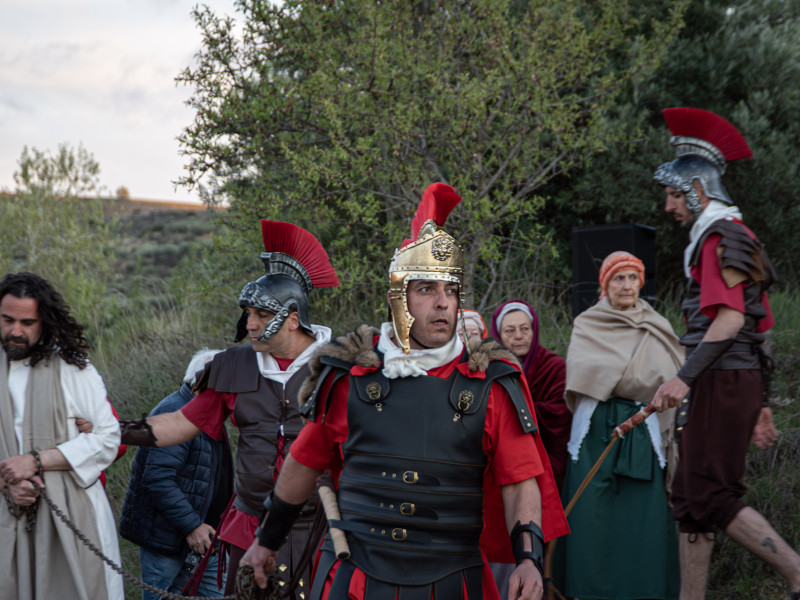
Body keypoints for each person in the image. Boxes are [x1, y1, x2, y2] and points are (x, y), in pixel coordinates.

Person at [239, 182, 569, 600]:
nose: (443, 303)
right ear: (399, 298)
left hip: (454, 580)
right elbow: (304, 462)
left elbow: (520, 481)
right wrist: (265, 541)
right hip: (357, 577)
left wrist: (528, 560)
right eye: (427, 289)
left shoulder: (491, 381)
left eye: (451, 290)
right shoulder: (349, 375)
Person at [121, 220, 339, 598]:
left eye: (260, 315)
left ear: (291, 318)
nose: (249, 325)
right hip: (249, 527)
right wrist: (114, 430)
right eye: (247, 314)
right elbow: (179, 424)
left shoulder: (341, 368)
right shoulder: (233, 366)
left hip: (319, 529)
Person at [652, 107, 800, 600]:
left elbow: (733, 320)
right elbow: (763, 328)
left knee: (710, 496)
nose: (669, 206)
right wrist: (760, 402)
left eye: (674, 194)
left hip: (717, 378)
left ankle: (797, 572)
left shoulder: (719, 237)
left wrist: (684, 379)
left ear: (698, 191)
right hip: (733, 379)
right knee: (692, 500)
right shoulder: (735, 236)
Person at [555, 250, 683, 600]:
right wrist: (636, 383)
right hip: (596, 430)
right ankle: (587, 592)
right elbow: (584, 376)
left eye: (632, 278)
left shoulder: (658, 325)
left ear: (641, 283)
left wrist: (633, 387)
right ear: (605, 285)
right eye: (618, 278)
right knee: (591, 518)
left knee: (643, 518)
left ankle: (646, 591)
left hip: (644, 429)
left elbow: (673, 379)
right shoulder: (588, 324)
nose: (626, 286)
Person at [0, 272, 124, 600]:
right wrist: (7, 480)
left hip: (69, 514)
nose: (15, 331)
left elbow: (107, 437)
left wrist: (36, 461)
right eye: (7, 319)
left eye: (27, 322)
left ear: (45, 322)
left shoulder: (73, 369)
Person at [119, 348, 234, 600]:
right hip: (170, 542)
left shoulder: (211, 416)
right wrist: (192, 526)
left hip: (207, 542)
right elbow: (158, 478)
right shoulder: (174, 412)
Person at [490, 300, 571, 490]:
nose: (518, 336)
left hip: (547, 456)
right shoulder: (489, 369)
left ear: (534, 331)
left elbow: (560, 412)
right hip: (503, 458)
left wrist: (512, 412)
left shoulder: (554, 367)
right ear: (498, 334)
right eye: (510, 331)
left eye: (524, 329)